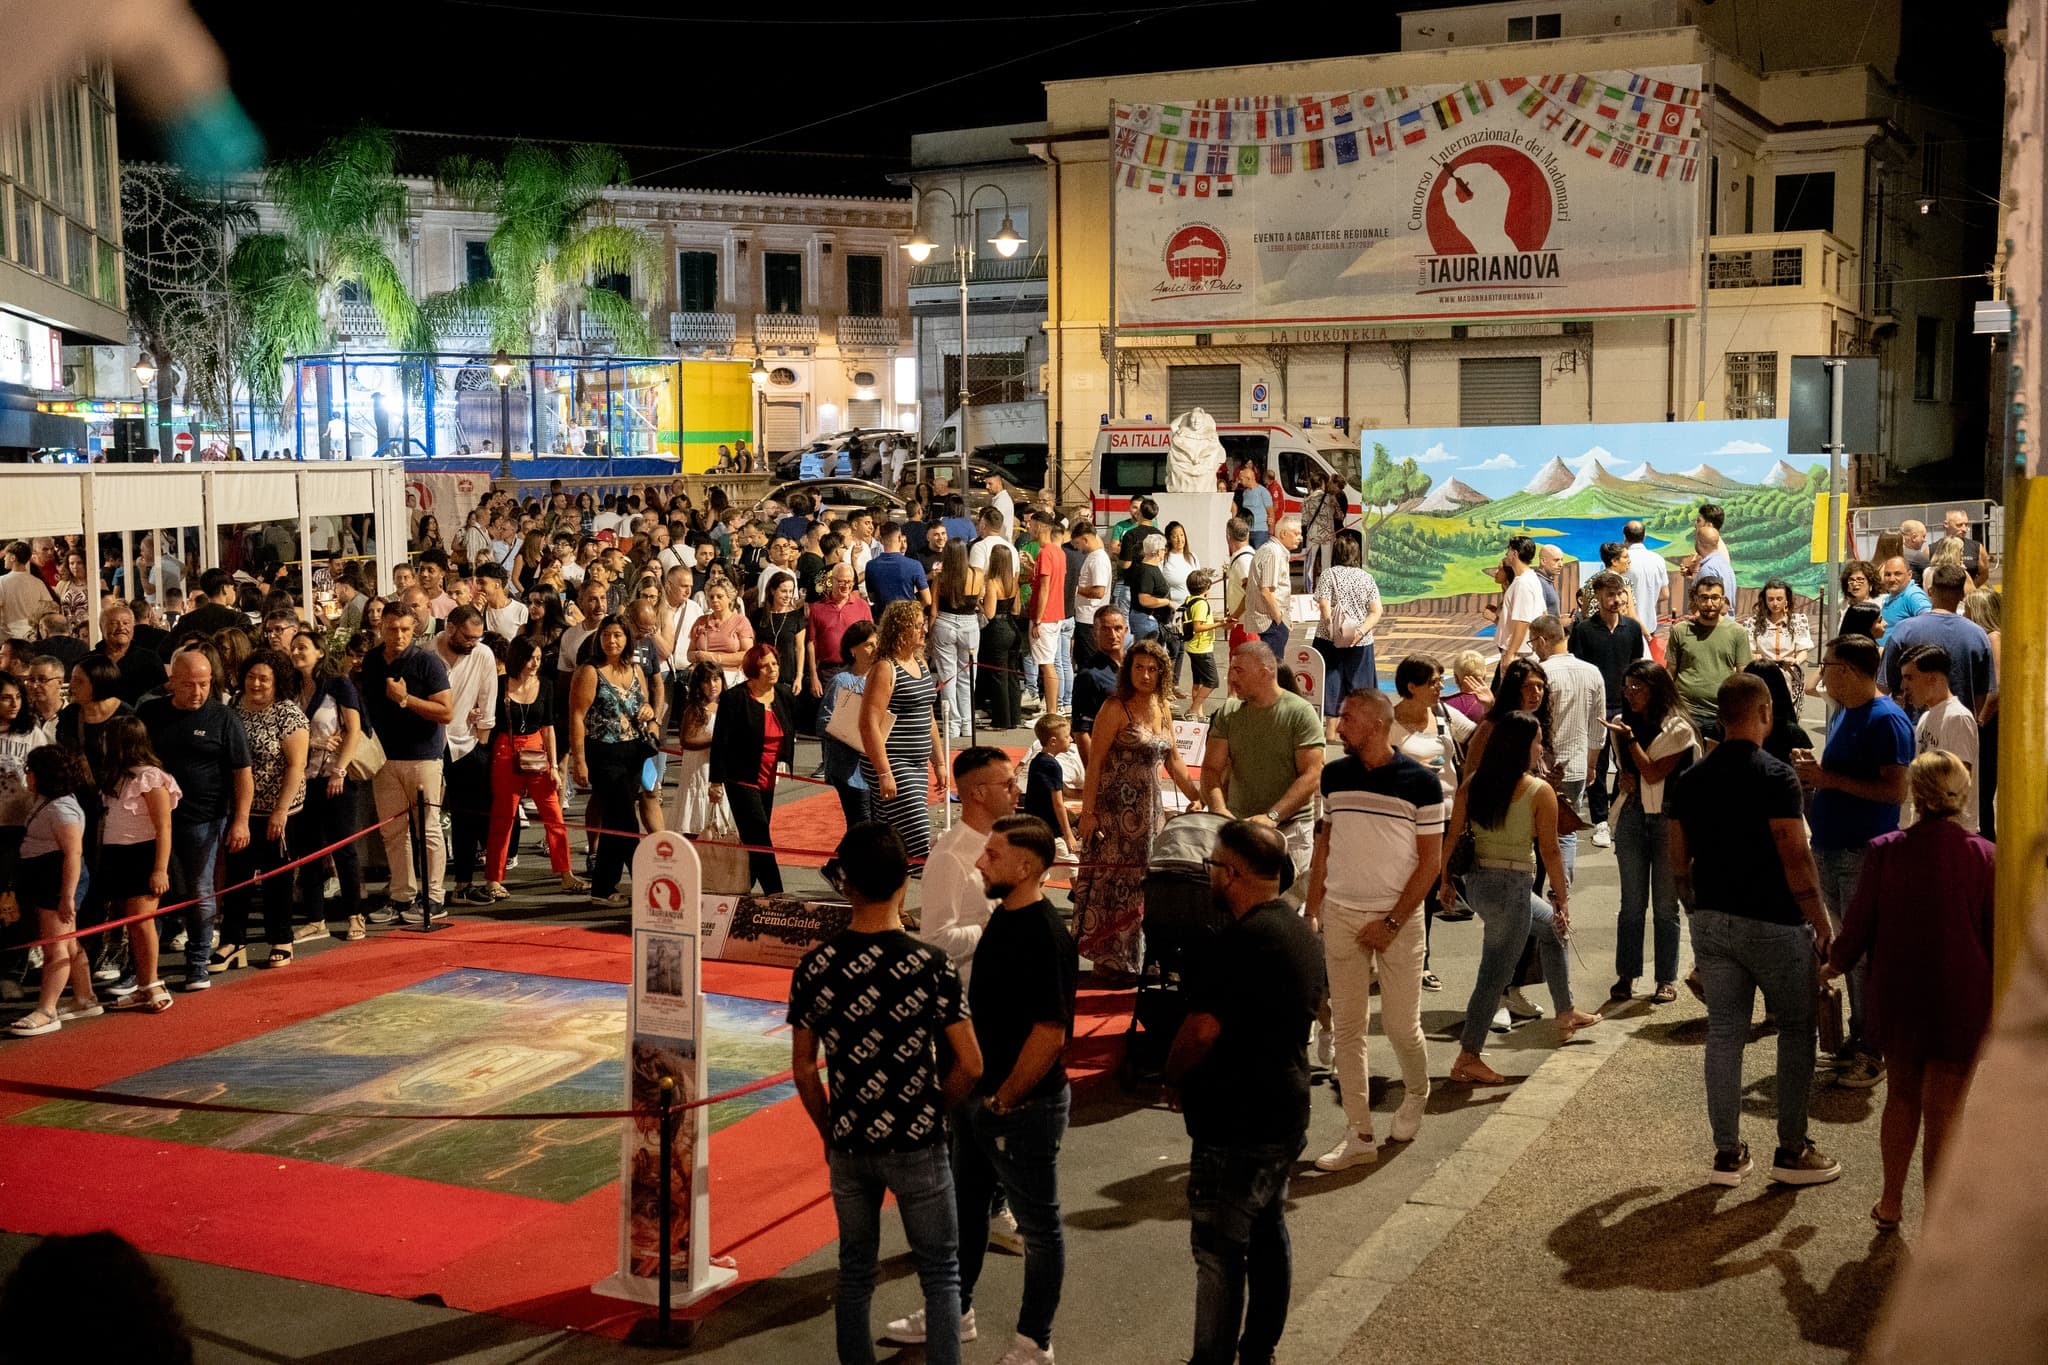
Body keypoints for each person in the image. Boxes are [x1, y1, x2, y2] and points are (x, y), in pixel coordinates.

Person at [790, 822, 981, 1365]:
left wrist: (830, 1128)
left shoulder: (816, 966)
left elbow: (803, 1069)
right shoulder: (930, 965)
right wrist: (934, 1110)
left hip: (850, 1139)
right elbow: (970, 1063)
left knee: (855, 1272)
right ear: (905, 882)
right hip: (917, 1140)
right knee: (941, 1274)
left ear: (845, 883)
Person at [1660, 670, 1843, 1186]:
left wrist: (1695, 911)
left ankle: (1728, 1153)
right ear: (1764, 713)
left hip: (1713, 920)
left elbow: (1677, 859)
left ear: (1721, 716)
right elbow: (1796, 858)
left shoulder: (1691, 779)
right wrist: (1821, 923)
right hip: (1775, 920)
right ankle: (1792, 1148)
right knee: (1796, 1029)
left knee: (1725, 1032)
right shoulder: (1776, 777)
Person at [1165, 819, 1323, 1365]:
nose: (1209, 874)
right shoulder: (1298, 931)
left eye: (1212, 865)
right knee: (1267, 1231)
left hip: (1237, 1119)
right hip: (1283, 1106)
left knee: (1218, 1251)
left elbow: (1200, 1030)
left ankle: (1211, 1359)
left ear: (1231, 874)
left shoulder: (1240, 942)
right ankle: (1259, 1351)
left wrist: (1173, 1075)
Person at [918, 814, 1073, 1365]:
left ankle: (1035, 1341)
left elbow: (1049, 1035)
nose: (981, 862)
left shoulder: (1045, 935)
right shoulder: (1003, 917)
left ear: (1025, 867)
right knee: (966, 1209)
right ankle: (954, 1312)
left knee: (1039, 1226)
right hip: (984, 1100)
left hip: (1022, 1107)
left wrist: (1003, 1101)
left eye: (993, 855)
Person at [1825, 750, 1994, 1231]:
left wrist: (1835, 964)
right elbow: (1994, 934)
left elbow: (1860, 922)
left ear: (1915, 797)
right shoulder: (1985, 856)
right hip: (1962, 993)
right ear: (1962, 795)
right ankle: (1936, 1221)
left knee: (1901, 1097)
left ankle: (1891, 1202)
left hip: (1900, 988)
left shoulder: (1886, 850)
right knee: (1946, 1111)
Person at [1308, 689, 1441, 1170]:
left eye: (1347, 718)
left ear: (1377, 724)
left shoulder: (1421, 783)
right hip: (1341, 913)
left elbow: (1430, 863)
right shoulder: (1334, 775)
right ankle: (1359, 1134)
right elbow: (1324, 845)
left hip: (1398, 922)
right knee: (1348, 1029)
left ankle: (1417, 1092)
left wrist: (1391, 922)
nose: (1339, 726)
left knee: (1403, 1028)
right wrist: (1312, 909)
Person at [1441, 710, 1600, 1085]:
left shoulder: (1476, 782)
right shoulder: (1536, 791)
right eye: (1538, 741)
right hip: (1512, 888)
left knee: (1552, 931)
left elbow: (1453, 834)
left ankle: (1565, 1011)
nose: (1541, 748)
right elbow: (1551, 850)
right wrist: (1562, 897)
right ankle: (1468, 1056)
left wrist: (1446, 881)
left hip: (1480, 883)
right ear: (1522, 747)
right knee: (1493, 976)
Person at [1792, 634, 1913, 1089]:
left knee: (1865, 954)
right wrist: (1817, 773)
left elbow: (1895, 791)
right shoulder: (1846, 712)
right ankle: (1860, 1037)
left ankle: (1872, 1048)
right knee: (1849, 949)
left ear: (1846, 670)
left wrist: (1827, 779)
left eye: (1826, 665)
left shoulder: (1887, 720)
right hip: (1832, 846)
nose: (1821, 674)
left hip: (1862, 851)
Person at [1071, 639, 1202, 985]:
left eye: (1152, 669)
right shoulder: (1115, 707)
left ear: (1162, 673)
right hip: (1114, 814)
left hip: (1151, 813)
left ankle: (1138, 958)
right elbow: (1095, 763)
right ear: (1128, 671)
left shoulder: (1163, 707)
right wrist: (1088, 813)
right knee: (1113, 884)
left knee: (1144, 885)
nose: (1145, 675)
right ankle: (1108, 959)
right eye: (1139, 667)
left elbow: (1174, 761)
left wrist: (1198, 796)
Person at [137, 649, 251, 990]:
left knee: (201, 890)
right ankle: (144, 968)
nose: (198, 692)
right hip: (151, 819)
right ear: (172, 682)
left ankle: (198, 961)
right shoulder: (151, 713)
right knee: (150, 892)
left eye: (204, 684)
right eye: (189, 684)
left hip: (203, 818)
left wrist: (241, 819)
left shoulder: (224, 718)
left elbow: (242, 773)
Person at [1600, 661, 1699, 1002]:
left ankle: (1665, 979)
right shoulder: (1621, 724)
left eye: (1637, 688)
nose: (1630, 694)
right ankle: (1626, 975)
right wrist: (1625, 779)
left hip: (1668, 820)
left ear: (1656, 690)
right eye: (1626, 687)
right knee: (1631, 904)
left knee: (1665, 906)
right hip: (1632, 815)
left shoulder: (1678, 728)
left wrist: (1629, 741)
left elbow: (1652, 773)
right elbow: (1628, 773)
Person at [1202, 643, 1324, 890]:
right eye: (1231, 669)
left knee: (1286, 907)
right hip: (1239, 830)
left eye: (1239, 670)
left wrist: (1272, 817)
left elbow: (1312, 775)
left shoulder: (1300, 713)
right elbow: (1211, 769)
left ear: (1264, 673)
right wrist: (1219, 809)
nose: (1231, 678)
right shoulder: (1229, 712)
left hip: (1289, 831)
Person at [361, 604, 453, 926]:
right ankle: (401, 894)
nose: (398, 635)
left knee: (428, 829)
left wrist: (405, 699)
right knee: (393, 832)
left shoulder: (428, 662)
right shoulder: (372, 661)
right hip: (384, 758)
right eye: (392, 629)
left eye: (404, 629)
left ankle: (434, 896)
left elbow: (446, 712)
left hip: (423, 757)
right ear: (381, 628)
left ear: (414, 628)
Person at [217, 649, 308, 968]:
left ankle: (281, 938)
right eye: (251, 677)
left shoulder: (288, 714)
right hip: (241, 809)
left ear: (277, 681)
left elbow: (297, 765)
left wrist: (280, 811)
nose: (255, 684)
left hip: (279, 810)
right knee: (237, 877)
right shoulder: (233, 706)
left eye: (263, 679)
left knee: (277, 878)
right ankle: (233, 940)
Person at [1389, 655, 1472, 986]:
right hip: (1404, 821)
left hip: (1446, 816)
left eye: (1441, 681)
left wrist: (1490, 705)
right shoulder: (1387, 722)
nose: (1441, 687)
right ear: (1412, 686)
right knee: (1406, 891)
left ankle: (1420, 961)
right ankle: (1397, 958)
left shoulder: (1444, 714)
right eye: (1434, 682)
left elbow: (1481, 737)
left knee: (1429, 891)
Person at [483, 635, 582, 897]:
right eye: (530, 658)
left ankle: (566, 873)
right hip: (506, 749)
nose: (535, 664)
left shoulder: (546, 685)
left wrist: (554, 765)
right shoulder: (500, 684)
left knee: (553, 814)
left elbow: (548, 727)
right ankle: (493, 878)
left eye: (538, 658)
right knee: (503, 816)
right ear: (518, 658)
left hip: (537, 748)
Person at [93, 715, 178, 1015]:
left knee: (143, 923)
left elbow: (164, 826)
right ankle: (142, 984)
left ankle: (152, 984)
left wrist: (160, 868)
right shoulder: (116, 778)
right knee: (132, 924)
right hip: (118, 855)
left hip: (143, 854)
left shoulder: (151, 777)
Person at [285, 630, 366, 939]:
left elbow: (354, 729)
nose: (296, 652)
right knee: (308, 851)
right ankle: (315, 918)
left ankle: (355, 915)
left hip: (336, 777)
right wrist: (313, 742)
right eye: (293, 648)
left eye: (302, 647)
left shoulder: (338, 684)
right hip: (303, 779)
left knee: (343, 847)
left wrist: (339, 771)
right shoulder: (291, 689)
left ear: (320, 652)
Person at [570, 615, 655, 909]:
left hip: (633, 753)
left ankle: (603, 887)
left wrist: (649, 711)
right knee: (626, 821)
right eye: (606, 635)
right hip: (603, 753)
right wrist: (579, 761)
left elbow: (645, 703)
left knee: (616, 822)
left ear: (627, 638)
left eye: (618, 635)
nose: (612, 641)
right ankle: (645, 884)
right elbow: (577, 717)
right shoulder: (590, 671)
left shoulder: (635, 669)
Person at [7, 747, 93, 1034]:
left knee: (56, 946)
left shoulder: (61, 808)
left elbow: (73, 854)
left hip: (57, 880)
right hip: (48, 876)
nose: (27, 777)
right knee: (69, 942)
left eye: (30, 771)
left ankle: (47, 1010)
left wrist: (66, 897)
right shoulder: (49, 802)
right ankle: (84, 997)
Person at [859, 600, 950, 860]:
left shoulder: (920, 663)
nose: (924, 630)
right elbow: (868, 723)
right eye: (918, 626)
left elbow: (928, 715)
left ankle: (855, 872)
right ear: (901, 629)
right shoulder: (885, 668)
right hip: (893, 761)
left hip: (917, 763)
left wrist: (939, 762)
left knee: (891, 837)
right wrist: (884, 772)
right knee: (917, 836)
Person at [919, 745, 1014, 989]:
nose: (1017, 791)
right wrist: (994, 929)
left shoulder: (1003, 840)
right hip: (969, 992)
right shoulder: (949, 857)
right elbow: (935, 939)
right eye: (1008, 784)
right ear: (979, 793)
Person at [1569, 571, 1645, 849]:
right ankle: (1600, 819)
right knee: (1597, 765)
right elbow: (1578, 669)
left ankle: (1617, 814)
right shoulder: (1583, 630)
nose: (1616, 600)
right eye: (1610, 595)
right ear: (1598, 597)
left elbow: (1637, 665)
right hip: (1596, 708)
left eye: (1620, 594)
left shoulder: (1632, 629)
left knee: (1626, 761)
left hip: (1626, 706)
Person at [709, 643, 793, 895]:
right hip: (741, 776)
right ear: (753, 670)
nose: (772, 669)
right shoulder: (735, 698)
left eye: (775, 664)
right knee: (758, 834)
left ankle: (745, 884)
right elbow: (720, 741)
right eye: (765, 666)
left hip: (768, 776)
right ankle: (775, 892)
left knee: (755, 835)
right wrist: (715, 781)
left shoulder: (783, 694)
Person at [437, 606, 499, 907]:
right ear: (451, 628)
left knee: (467, 818)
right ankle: (423, 889)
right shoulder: (426, 652)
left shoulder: (483, 655)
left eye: (478, 637)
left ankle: (464, 883)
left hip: (466, 746)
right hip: (430, 745)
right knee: (426, 819)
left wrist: (480, 746)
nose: (473, 643)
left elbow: (488, 702)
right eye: (468, 637)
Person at [1879, 563, 1992, 718]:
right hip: (1959, 725)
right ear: (1962, 595)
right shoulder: (1978, 635)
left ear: (1930, 591)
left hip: (1913, 726)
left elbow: (1884, 686)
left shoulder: (1904, 630)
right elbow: (1982, 693)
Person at [1900, 645, 1979, 833]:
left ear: (1932, 678)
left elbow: (1958, 782)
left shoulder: (1958, 718)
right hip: (1925, 829)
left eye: (1909, 678)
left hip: (1952, 833)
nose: (1904, 686)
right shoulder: (1926, 717)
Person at [1311, 537, 1382, 741]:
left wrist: (1332, 629)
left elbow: (1324, 605)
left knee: (1331, 682)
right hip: (1360, 641)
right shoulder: (1366, 577)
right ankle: (1359, 730)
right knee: (1360, 685)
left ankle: (1330, 730)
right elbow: (1376, 610)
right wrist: (1360, 632)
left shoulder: (1328, 574)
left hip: (1328, 639)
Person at [1664, 576, 1750, 732]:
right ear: (1696, 599)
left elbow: (1743, 675)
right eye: (1704, 598)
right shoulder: (1680, 630)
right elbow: (1670, 671)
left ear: (1723, 600)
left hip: (1722, 714)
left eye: (1715, 598)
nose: (1709, 604)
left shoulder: (1738, 632)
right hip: (1686, 712)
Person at [1961, 587, 2001, 841]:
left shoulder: (1993, 637)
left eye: (1967, 610)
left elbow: (1996, 688)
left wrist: (1981, 719)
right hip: (1987, 721)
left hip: (1989, 723)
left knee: (1983, 790)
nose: (1964, 615)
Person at [931, 541, 981, 742]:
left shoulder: (941, 578)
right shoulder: (977, 574)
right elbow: (980, 599)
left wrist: (929, 632)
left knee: (947, 676)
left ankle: (952, 724)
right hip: (970, 624)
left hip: (944, 622)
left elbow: (933, 610)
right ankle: (968, 723)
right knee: (968, 675)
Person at [667, 661, 722, 837]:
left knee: (714, 819)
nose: (712, 685)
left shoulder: (726, 706)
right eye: (706, 681)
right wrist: (717, 740)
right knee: (693, 819)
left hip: (717, 769)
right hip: (699, 769)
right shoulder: (696, 709)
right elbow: (687, 739)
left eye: (716, 679)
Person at [809, 564, 872, 709]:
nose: (846, 586)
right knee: (829, 714)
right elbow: (810, 643)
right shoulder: (817, 608)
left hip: (856, 670)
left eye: (849, 582)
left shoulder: (863, 606)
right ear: (832, 580)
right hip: (827, 671)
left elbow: (871, 639)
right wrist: (813, 676)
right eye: (842, 581)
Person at [1070, 608, 1127, 766]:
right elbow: (1081, 730)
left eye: (1118, 628)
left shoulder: (1135, 667)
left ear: (1126, 630)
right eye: (1105, 629)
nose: (1113, 635)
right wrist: (1095, 770)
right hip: (1109, 758)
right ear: (1095, 633)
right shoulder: (1089, 675)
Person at [1746, 578, 1813, 707]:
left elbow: (1803, 651)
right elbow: (1749, 650)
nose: (1775, 603)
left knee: (1788, 716)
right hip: (1763, 677)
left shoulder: (1798, 621)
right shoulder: (1753, 623)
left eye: (1779, 599)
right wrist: (1755, 657)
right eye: (1770, 599)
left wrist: (1795, 661)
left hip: (1789, 676)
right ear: (1764, 600)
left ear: (1786, 600)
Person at [979, 541, 1024, 730]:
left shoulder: (992, 583)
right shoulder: (1013, 582)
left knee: (998, 676)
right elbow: (1016, 609)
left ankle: (1001, 720)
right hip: (1012, 629)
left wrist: (978, 603)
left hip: (997, 630)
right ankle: (1015, 717)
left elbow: (989, 614)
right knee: (1012, 674)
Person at [1240, 516, 1301, 657]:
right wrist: (1279, 618)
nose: (1300, 538)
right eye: (1296, 534)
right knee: (1272, 666)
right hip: (1270, 622)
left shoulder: (1273, 550)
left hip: (1270, 621)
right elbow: (1266, 591)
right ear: (1283, 533)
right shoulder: (1273, 552)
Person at [86, 603, 167, 706]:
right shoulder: (88, 661)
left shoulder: (150, 660)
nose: (121, 628)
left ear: (133, 628)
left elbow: (162, 694)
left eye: (126, 623)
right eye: (113, 623)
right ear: (102, 628)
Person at [1026, 512, 1067, 716]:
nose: (1029, 528)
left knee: (1047, 664)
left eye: (1031, 524)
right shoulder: (1058, 552)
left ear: (1041, 527)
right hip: (1055, 613)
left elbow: (1044, 588)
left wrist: (1038, 619)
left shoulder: (1045, 553)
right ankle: (1051, 709)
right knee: (1048, 663)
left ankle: (1051, 711)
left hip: (1046, 616)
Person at [686, 581, 754, 690]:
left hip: (731, 679)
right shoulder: (700, 621)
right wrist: (698, 655)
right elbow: (689, 654)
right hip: (704, 679)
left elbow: (747, 655)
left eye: (719, 596)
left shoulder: (741, 621)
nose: (715, 600)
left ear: (729, 598)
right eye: (711, 597)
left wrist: (715, 658)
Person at [1494, 536, 1547, 668]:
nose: (1506, 554)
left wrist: (1510, 654)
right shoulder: (1531, 578)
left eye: (1508, 551)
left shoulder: (1522, 583)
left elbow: (1522, 621)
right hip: (1525, 650)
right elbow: (1544, 613)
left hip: (1520, 653)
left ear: (1515, 554)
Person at [864, 521, 931, 612]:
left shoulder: (871, 566)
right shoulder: (914, 565)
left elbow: (872, 598)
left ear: (881, 540)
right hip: (907, 617)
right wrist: (913, 612)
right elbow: (927, 600)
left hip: (882, 617)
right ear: (900, 538)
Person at [1180, 568, 1221, 719]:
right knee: (1212, 681)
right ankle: (1193, 709)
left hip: (1192, 646)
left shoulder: (1190, 600)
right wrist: (1220, 624)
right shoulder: (1201, 604)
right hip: (1201, 648)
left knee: (1198, 681)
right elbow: (1198, 627)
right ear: (1207, 587)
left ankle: (1198, 713)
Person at [1620, 520, 1670, 639]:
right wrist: (1648, 599)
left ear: (1624, 537)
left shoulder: (1621, 561)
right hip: (1649, 624)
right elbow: (1665, 594)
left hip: (1624, 625)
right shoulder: (1658, 560)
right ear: (1644, 536)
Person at [0, 541, 57, 642]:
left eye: (6, 556)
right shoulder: (38, 582)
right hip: (32, 636)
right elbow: (51, 609)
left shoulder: (1, 582)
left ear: (13, 557)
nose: (4, 558)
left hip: (9, 638)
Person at [1300, 469, 1345, 591]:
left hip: (1312, 534)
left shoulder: (1307, 500)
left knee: (1309, 563)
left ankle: (1308, 590)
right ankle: (1325, 590)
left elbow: (1304, 521)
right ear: (1322, 484)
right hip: (1327, 535)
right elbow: (1340, 516)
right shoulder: (1330, 498)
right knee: (1326, 564)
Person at [1877, 555, 1930, 633]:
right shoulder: (1893, 595)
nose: (1892, 579)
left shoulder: (1913, 595)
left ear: (1909, 575)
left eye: (1897, 574)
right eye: (1888, 574)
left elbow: (1930, 621)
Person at [1937, 508, 1991, 583]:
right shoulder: (1932, 549)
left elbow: (1984, 574)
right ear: (1946, 524)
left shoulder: (1977, 548)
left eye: (1966, 525)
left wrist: (1971, 588)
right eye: (1959, 525)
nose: (1964, 529)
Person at [1837, 559, 1884, 641]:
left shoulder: (1883, 602)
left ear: (1871, 583)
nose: (1855, 584)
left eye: (1860, 579)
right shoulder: (1842, 604)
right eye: (1851, 580)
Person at [1233, 464, 1273, 548]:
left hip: (1260, 532)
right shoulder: (1245, 493)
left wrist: (1271, 530)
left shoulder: (1263, 492)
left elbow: (1270, 512)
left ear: (1248, 479)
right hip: (1247, 531)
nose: (1239, 481)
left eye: (1241, 479)